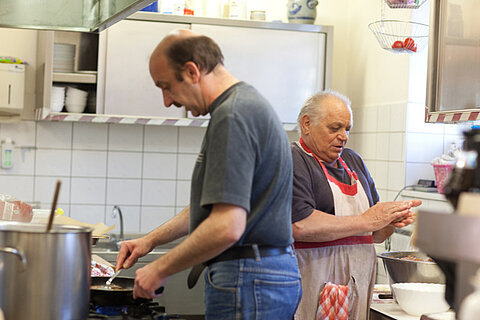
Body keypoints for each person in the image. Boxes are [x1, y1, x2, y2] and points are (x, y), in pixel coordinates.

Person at [115, 29, 302, 319]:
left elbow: (226, 226)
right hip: (259, 275)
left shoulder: (233, 115)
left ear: (191, 71)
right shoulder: (240, 107)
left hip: (248, 277)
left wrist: (159, 269)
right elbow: (215, 208)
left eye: (166, 87)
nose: (167, 101)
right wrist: (150, 241)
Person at [291, 90, 421, 320]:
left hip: (356, 287)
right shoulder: (294, 160)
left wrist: (390, 220)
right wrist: (367, 220)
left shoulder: (353, 161)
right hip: (311, 284)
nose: (344, 136)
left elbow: (375, 235)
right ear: (307, 123)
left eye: (347, 129)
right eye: (335, 128)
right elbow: (299, 224)